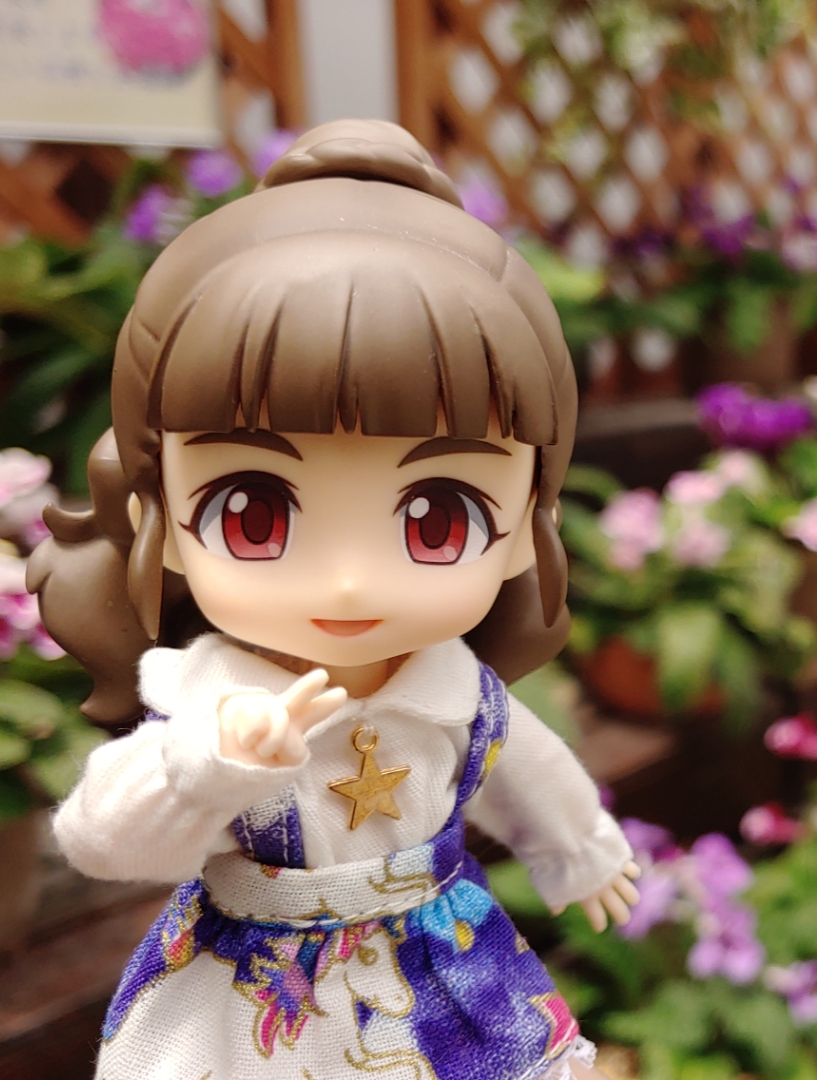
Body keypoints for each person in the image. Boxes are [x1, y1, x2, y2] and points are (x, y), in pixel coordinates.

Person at [30, 120, 639, 1080]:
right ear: (161, 518)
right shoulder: (209, 699)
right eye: (254, 514)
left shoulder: (457, 695)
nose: (348, 581)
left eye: (438, 519)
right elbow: (101, 837)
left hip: (440, 973)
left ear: (527, 526)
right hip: (250, 1001)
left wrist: (581, 850)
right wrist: (207, 766)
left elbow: (533, 772)